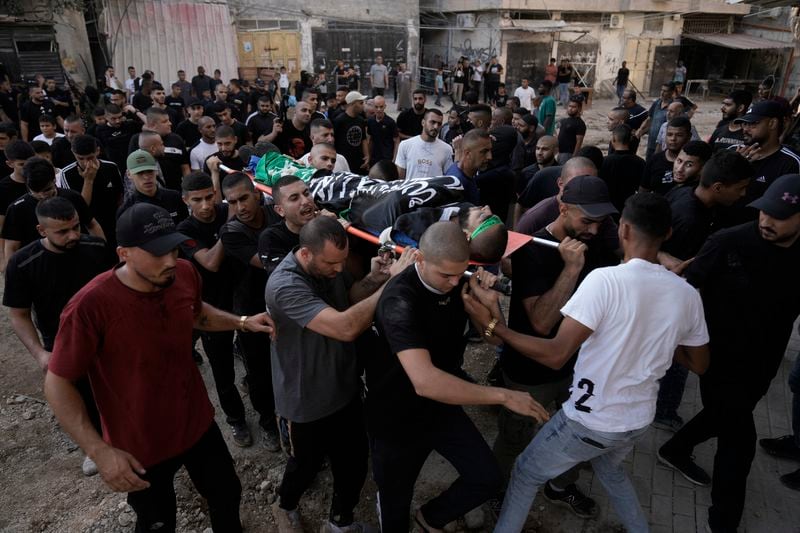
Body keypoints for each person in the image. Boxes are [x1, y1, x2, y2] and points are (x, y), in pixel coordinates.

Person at [464, 192, 710, 533]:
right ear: (668, 235)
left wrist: (496, 328)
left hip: (592, 420)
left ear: (623, 230)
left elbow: (555, 353)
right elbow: (698, 363)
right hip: (638, 420)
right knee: (610, 471)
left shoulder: (604, 281)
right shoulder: (686, 293)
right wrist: (662, 332)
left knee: (525, 473)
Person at [45, 202, 275, 532]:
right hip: (139, 442)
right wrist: (99, 452)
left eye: (172, 248)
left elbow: (196, 313)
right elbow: (57, 383)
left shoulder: (182, 272)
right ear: (123, 253)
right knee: (157, 521)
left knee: (226, 493)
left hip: (195, 422)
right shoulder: (90, 306)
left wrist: (242, 322)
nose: (170, 260)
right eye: (156, 253)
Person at [366, 221, 548, 533]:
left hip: (441, 409)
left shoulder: (460, 282)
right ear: (421, 260)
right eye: (445, 275)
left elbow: (494, 339)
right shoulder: (399, 300)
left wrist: (488, 305)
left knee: (487, 477)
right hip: (396, 417)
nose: (453, 282)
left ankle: (431, 518)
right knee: (396, 503)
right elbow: (425, 381)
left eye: (459, 272)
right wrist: (504, 395)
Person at [657, 174, 800, 532]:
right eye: (765, 211)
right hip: (716, 358)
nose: (767, 220)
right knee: (740, 439)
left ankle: (675, 449)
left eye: (780, 216)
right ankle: (724, 519)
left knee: (726, 414)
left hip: (763, 364)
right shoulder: (727, 242)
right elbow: (685, 292)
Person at [266, 216, 414, 533]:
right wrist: (393, 283)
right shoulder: (284, 286)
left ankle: (340, 521)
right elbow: (346, 327)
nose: (338, 270)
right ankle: (286, 505)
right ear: (305, 254)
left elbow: (349, 302)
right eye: (332, 264)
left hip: (344, 386)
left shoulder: (328, 264)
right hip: (306, 397)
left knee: (354, 460)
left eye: (342, 262)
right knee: (306, 464)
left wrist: (375, 279)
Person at [496, 176, 621, 518]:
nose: (594, 231)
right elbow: (541, 323)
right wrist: (570, 269)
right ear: (564, 208)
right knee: (514, 438)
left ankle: (559, 485)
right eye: (587, 221)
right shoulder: (532, 249)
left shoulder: (592, 242)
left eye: (600, 222)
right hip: (529, 371)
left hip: (577, 367)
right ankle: (496, 488)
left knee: (573, 435)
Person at [3, 196, 111, 474]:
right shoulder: (24, 264)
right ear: (42, 231)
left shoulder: (96, 248)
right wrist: (40, 353)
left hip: (108, 333)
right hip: (62, 341)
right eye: (62, 232)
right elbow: (19, 314)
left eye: (76, 227)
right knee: (80, 395)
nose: (73, 235)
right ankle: (94, 447)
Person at [177, 171, 252, 447]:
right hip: (210, 309)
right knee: (222, 373)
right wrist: (228, 229)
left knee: (253, 359)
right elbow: (210, 262)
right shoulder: (184, 230)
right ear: (186, 200)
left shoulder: (228, 208)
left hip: (242, 299)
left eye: (210, 197)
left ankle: (263, 412)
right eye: (198, 200)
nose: (207, 205)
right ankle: (236, 420)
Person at [220, 172, 282, 450]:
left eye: (244, 198)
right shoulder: (231, 232)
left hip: (282, 304)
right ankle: (269, 423)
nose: (240, 207)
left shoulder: (276, 214)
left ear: (257, 194)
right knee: (259, 372)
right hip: (251, 309)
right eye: (232, 202)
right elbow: (269, 263)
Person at [3, 156, 104, 257]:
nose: (42, 195)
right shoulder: (17, 209)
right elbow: (11, 247)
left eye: (47, 189)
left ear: (54, 179)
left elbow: (92, 225)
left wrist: (103, 252)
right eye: (36, 192)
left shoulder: (72, 197)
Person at [732, 100, 800, 205]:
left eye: (752, 124)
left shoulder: (792, 163)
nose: (745, 129)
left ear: (772, 123)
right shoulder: (732, 152)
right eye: (744, 124)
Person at [61, 135, 124, 245]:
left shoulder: (111, 167)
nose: (86, 163)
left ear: (97, 151)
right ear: (73, 153)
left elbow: (120, 198)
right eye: (81, 158)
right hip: (88, 230)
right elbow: (80, 209)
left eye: (90, 158)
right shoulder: (67, 174)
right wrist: (88, 180)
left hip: (114, 225)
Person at [128, 107, 190, 192]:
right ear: (153, 125)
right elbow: (133, 169)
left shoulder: (176, 139)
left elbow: (185, 167)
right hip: (149, 193)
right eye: (165, 121)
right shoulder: (137, 140)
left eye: (169, 120)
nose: (170, 123)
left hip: (176, 191)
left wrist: (188, 189)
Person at [117, 150, 188, 224]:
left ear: (156, 170)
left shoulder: (174, 197)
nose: (146, 177)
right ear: (129, 174)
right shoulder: (126, 209)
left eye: (150, 171)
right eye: (139, 173)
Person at [639, 116, 693, 195]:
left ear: (689, 137)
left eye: (679, 135)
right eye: (669, 134)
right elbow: (643, 190)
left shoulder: (694, 163)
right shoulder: (654, 160)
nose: (673, 139)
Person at [395, 109, 453, 180]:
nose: (436, 126)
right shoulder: (405, 145)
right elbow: (400, 178)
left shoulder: (447, 149)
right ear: (423, 122)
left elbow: (449, 179)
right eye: (432, 122)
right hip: (411, 190)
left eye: (439, 124)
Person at [600, 125, 645, 212]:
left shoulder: (604, 161)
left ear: (613, 139)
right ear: (630, 140)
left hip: (607, 206)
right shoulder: (640, 162)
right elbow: (642, 188)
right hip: (629, 206)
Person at [95, 104, 143, 174]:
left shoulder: (129, 125)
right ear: (106, 117)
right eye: (113, 118)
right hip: (115, 167)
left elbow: (150, 126)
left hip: (134, 164)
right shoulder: (100, 130)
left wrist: (135, 112)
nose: (117, 121)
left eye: (120, 117)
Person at [636, 82, 675, 159]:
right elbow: (649, 118)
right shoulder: (657, 103)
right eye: (661, 90)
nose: (662, 93)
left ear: (671, 92)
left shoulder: (673, 106)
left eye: (665, 91)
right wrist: (640, 129)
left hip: (663, 143)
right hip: (652, 140)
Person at [333, 91, 369, 173]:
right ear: (353, 104)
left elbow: (363, 139)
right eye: (360, 103)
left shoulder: (360, 120)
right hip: (345, 161)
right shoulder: (339, 120)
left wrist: (367, 156)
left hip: (359, 161)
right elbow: (333, 141)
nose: (363, 105)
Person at [366, 95, 399, 165]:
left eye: (381, 107)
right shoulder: (370, 121)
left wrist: (394, 158)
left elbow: (396, 141)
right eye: (376, 107)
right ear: (373, 107)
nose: (379, 109)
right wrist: (369, 156)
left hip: (387, 157)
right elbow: (370, 140)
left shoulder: (390, 122)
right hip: (374, 157)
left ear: (385, 106)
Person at [556, 95, 586, 163]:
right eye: (569, 106)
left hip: (569, 154)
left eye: (573, 107)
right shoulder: (565, 120)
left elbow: (579, 142)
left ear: (579, 108)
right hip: (559, 153)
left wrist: (574, 157)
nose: (570, 108)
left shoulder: (580, 123)